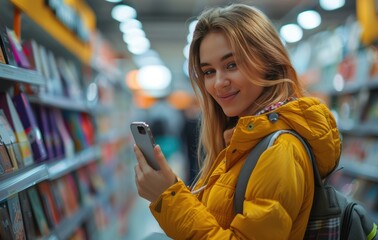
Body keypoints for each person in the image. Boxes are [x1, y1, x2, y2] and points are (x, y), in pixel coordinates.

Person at [133, 3, 341, 239]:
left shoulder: (279, 151)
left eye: (231, 65)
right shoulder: (240, 139)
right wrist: (171, 190)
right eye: (209, 71)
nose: (219, 82)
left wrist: (168, 197)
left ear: (268, 62)